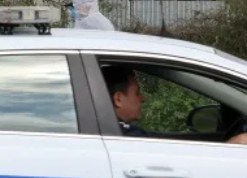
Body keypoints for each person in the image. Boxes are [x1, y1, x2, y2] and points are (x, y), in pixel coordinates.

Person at [103, 66, 247, 144]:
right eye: (137, 93)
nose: (143, 98)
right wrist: (231, 145)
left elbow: (162, 141)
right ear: (118, 99)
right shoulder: (122, 138)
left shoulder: (118, 130)